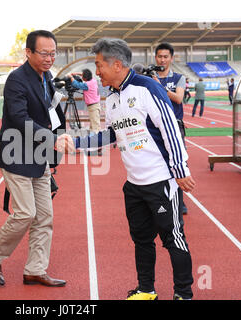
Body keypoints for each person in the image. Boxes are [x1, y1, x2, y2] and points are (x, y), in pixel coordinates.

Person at [60, 38, 196, 300]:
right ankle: (147, 290)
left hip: (161, 181)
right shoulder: (111, 98)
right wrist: (75, 144)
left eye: (100, 65)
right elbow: (109, 134)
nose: (97, 71)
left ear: (117, 64)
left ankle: (183, 293)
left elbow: (170, 129)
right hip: (134, 185)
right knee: (141, 239)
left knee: (173, 240)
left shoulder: (146, 88)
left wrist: (180, 169)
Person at [0, 30, 67, 288]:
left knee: (44, 216)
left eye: (53, 53)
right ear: (28, 52)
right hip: (16, 154)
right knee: (25, 213)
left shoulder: (48, 77)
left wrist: (59, 139)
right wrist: (52, 139)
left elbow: (51, 111)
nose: (49, 58)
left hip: (39, 156)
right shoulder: (16, 80)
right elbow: (20, 119)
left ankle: (35, 269)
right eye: (44, 53)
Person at [153, 42, 189, 216]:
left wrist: (157, 86)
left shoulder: (178, 78)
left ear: (171, 58)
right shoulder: (149, 77)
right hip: (154, 127)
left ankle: (180, 201)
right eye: (159, 56)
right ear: (155, 58)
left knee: (178, 161)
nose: (162, 59)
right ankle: (160, 200)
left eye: (166, 56)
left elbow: (179, 98)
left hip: (175, 125)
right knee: (158, 163)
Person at [69, 69, 102, 134]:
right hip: (95, 105)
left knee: (95, 126)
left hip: (93, 107)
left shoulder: (87, 85)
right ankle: (92, 138)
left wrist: (70, 77)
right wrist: (76, 73)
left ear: (85, 78)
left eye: (82, 76)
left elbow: (76, 84)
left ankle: (96, 140)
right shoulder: (93, 80)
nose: (81, 77)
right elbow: (85, 75)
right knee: (93, 124)